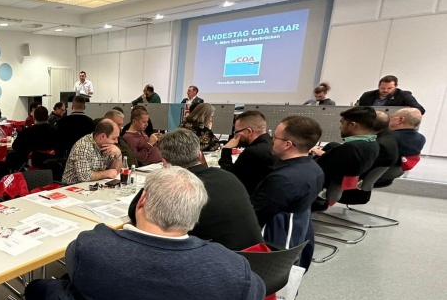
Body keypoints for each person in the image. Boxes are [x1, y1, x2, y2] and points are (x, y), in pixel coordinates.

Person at [28, 166, 265, 300]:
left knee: (40, 289)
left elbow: (73, 270)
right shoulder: (231, 270)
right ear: (195, 213)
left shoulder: (92, 248)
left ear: (141, 200)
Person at [128, 129, 263, 251]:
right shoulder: (228, 177)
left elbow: (135, 210)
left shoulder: (175, 186)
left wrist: (158, 179)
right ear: (199, 154)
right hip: (262, 258)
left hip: (220, 263)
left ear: (165, 162)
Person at [251, 116, 325, 269]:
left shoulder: (283, 180)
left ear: (287, 144)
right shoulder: (315, 168)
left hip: (273, 242)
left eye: (275, 137)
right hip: (298, 235)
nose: (272, 141)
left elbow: (256, 216)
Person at [310, 107, 380, 208]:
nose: (340, 127)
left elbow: (316, 172)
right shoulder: (373, 144)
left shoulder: (350, 149)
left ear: (352, 125)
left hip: (314, 190)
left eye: (342, 123)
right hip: (333, 186)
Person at [218, 110, 275, 195]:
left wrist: (226, 149)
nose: (236, 136)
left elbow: (229, 178)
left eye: (237, 132)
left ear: (249, 131)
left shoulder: (252, 152)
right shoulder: (272, 144)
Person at [62, 119, 122, 184]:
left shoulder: (109, 147)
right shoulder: (83, 146)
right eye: (114, 138)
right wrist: (107, 173)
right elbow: (85, 176)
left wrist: (118, 155)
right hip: (72, 186)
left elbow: (115, 172)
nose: (116, 141)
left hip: (95, 185)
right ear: (102, 137)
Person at [8, 105, 57, 170]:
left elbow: (15, 146)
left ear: (34, 118)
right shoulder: (56, 130)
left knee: (10, 156)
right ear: (48, 117)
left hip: (32, 162)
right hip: (52, 163)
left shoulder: (27, 131)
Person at [356, 75, 425, 113]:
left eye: (389, 88)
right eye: (382, 88)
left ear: (396, 86)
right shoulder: (367, 95)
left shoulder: (403, 95)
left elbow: (420, 109)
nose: (385, 90)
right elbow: (358, 110)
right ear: (378, 86)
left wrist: (401, 112)